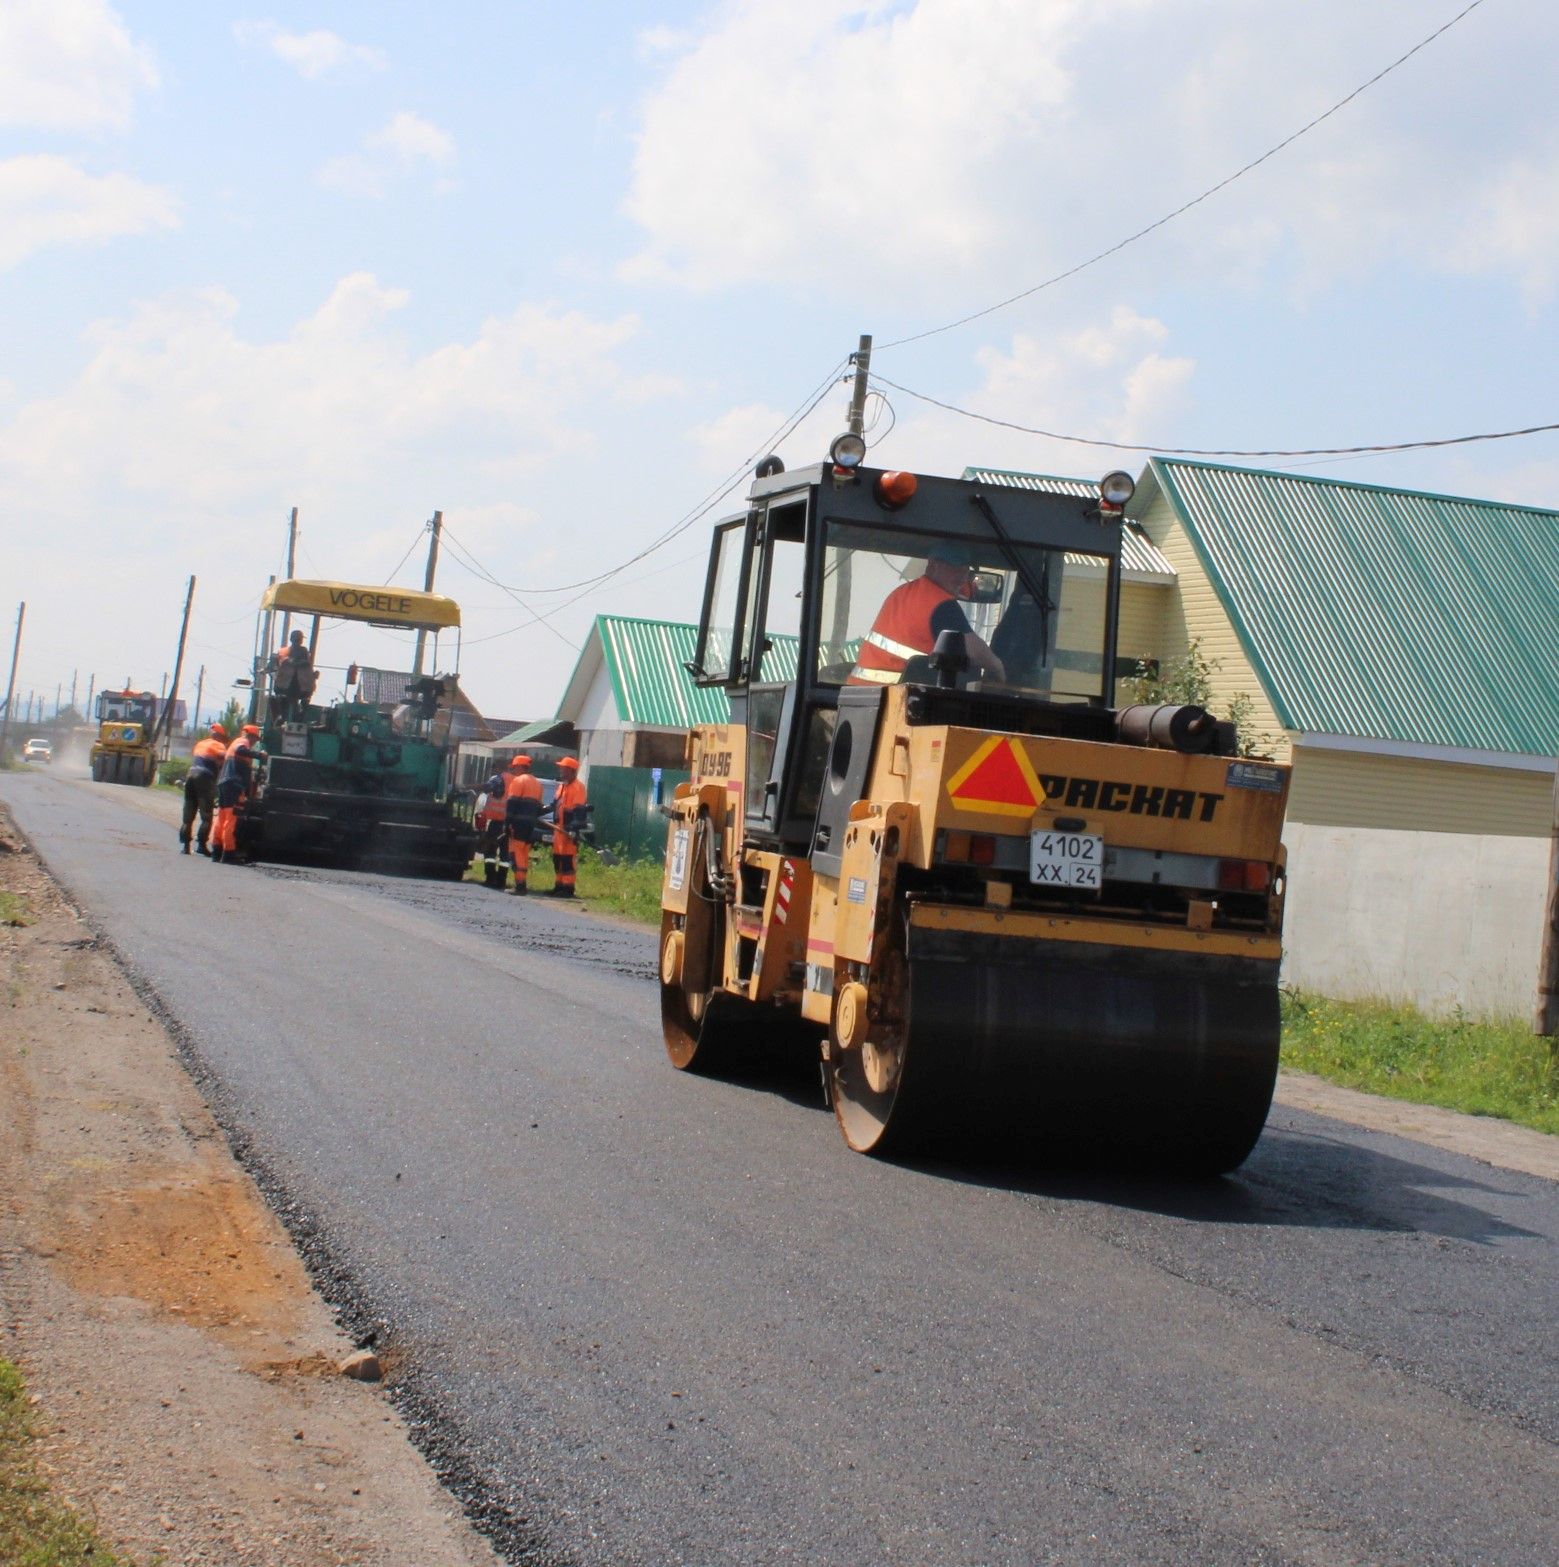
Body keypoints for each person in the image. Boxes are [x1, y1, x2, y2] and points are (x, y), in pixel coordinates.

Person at [847, 542, 1004, 686]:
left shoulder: (902, 592)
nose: (961, 577)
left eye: (965, 570)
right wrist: (997, 667)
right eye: (954, 569)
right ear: (932, 565)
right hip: (892, 701)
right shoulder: (941, 604)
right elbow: (974, 651)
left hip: (856, 694)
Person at [211, 723, 262, 864]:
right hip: (233, 784)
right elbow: (241, 751)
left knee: (221, 817)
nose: (254, 742)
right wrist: (259, 755)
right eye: (255, 739)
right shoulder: (242, 742)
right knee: (231, 818)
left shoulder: (235, 744)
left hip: (224, 783)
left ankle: (216, 850)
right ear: (249, 735)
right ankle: (228, 853)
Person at [179, 722, 228, 856]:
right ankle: (201, 845)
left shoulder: (200, 744)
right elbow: (225, 760)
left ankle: (185, 846)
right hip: (205, 778)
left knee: (188, 812)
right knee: (206, 814)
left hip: (190, 775)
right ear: (219, 735)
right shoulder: (219, 745)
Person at [502, 754, 544, 895]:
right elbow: (538, 808)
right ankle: (522, 883)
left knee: (516, 853)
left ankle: (520, 886)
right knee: (524, 853)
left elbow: (512, 803)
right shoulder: (537, 784)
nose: (513, 770)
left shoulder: (518, 781)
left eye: (514, 767)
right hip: (530, 825)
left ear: (520, 767)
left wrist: (507, 824)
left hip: (518, 824)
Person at [549, 757, 588, 898]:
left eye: (563, 769)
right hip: (559, 830)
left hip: (569, 831)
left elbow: (579, 812)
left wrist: (573, 828)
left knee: (567, 860)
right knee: (557, 859)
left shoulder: (578, 788)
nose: (561, 771)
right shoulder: (562, 786)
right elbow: (555, 805)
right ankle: (558, 886)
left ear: (571, 771)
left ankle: (568, 889)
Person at [269, 629, 317, 724]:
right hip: (289, 687)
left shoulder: (302, 651)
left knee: (282, 699)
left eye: (299, 639)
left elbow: (306, 663)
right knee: (275, 699)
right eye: (298, 639)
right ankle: (283, 716)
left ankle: (287, 716)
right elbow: (273, 664)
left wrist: (294, 662)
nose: (298, 641)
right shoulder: (285, 652)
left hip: (297, 687)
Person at [474, 766, 510, 887]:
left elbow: (485, 793)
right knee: (505, 853)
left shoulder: (498, 780)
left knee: (490, 851)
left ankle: (490, 879)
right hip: (509, 823)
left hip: (495, 822)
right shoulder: (517, 782)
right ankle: (501, 881)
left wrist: (468, 786)